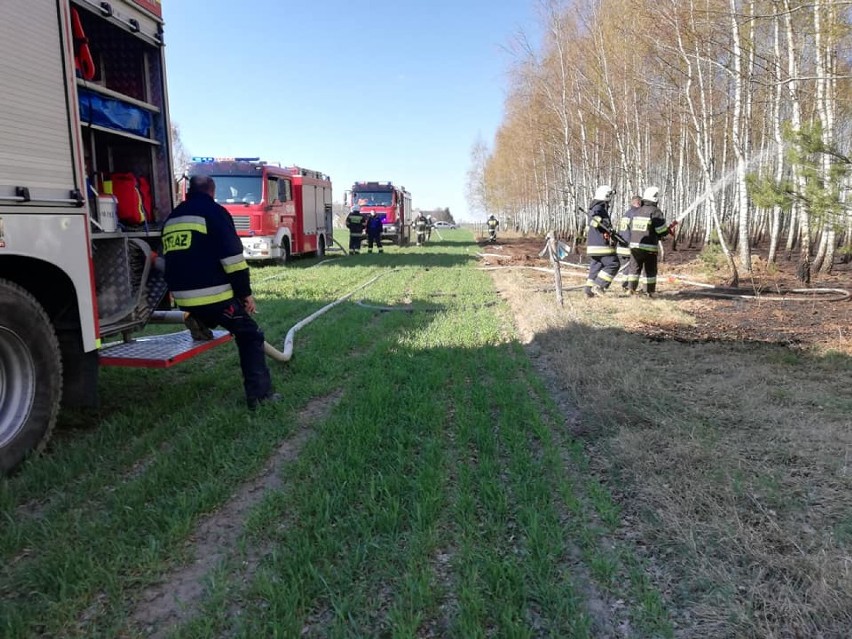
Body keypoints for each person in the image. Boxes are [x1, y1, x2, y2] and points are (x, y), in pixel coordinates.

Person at [162, 175, 278, 410]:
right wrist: (245, 294)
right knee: (251, 335)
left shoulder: (172, 218)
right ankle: (260, 397)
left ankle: (199, 320)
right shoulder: (215, 213)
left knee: (212, 313)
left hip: (183, 298)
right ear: (212, 191)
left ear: (188, 191)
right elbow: (233, 259)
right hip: (214, 296)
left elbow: (167, 258)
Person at [625, 186, 678, 298]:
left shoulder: (637, 211)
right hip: (649, 247)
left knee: (634, 268)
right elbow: (661, 231)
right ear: (655, 198)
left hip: (634, 246)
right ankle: (648, 292)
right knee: (650, 270)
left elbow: (631, 227)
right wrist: (666, 231)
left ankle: (630, 289)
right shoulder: (655, 212)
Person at [583, 185, 619, 298]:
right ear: (606, 196)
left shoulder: (595, 207)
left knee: (596, 267)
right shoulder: (599, 207)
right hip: (601, 245)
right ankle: (599, 286)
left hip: (593, 246)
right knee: (613, 264)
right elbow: (594, 220)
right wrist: (605, 224)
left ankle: (589, 290)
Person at [617, 195, 642, 290]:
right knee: (632, 267)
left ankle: (625, 285)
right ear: (638, 203)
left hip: (621, 244)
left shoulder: (627, 213)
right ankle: (628, 287)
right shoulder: (636, 214)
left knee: (627, 267)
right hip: (629, 245)